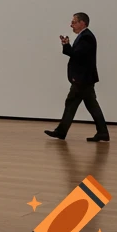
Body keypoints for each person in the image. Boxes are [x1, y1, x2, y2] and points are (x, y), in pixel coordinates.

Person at [45, 13, 109, 142]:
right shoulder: (84, 36)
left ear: (82, 23)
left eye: (74, 22)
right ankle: (102, 133)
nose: (71, 25)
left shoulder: (86, 37)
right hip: (84, 79)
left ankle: (61, 132)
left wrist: (76, 77)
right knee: (88, 106)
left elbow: (78, 57)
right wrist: (66, 45)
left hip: (82, 80)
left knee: (72, 104)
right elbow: (76, 55)